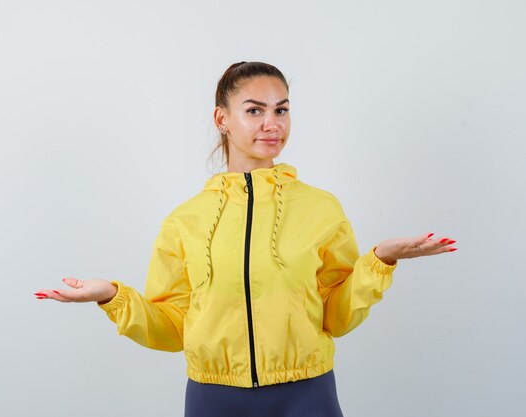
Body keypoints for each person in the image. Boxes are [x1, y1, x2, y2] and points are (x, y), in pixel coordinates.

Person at [34, 61, 457, 417]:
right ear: (222, 118)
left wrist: (379, 260)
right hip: (213, 397)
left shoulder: (321, 208)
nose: (272, 124)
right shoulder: (185, 221)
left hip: (306, 394)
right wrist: (112, 296)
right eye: (254, 111)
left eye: (281, 110)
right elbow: (172, 328)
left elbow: (337, 317)